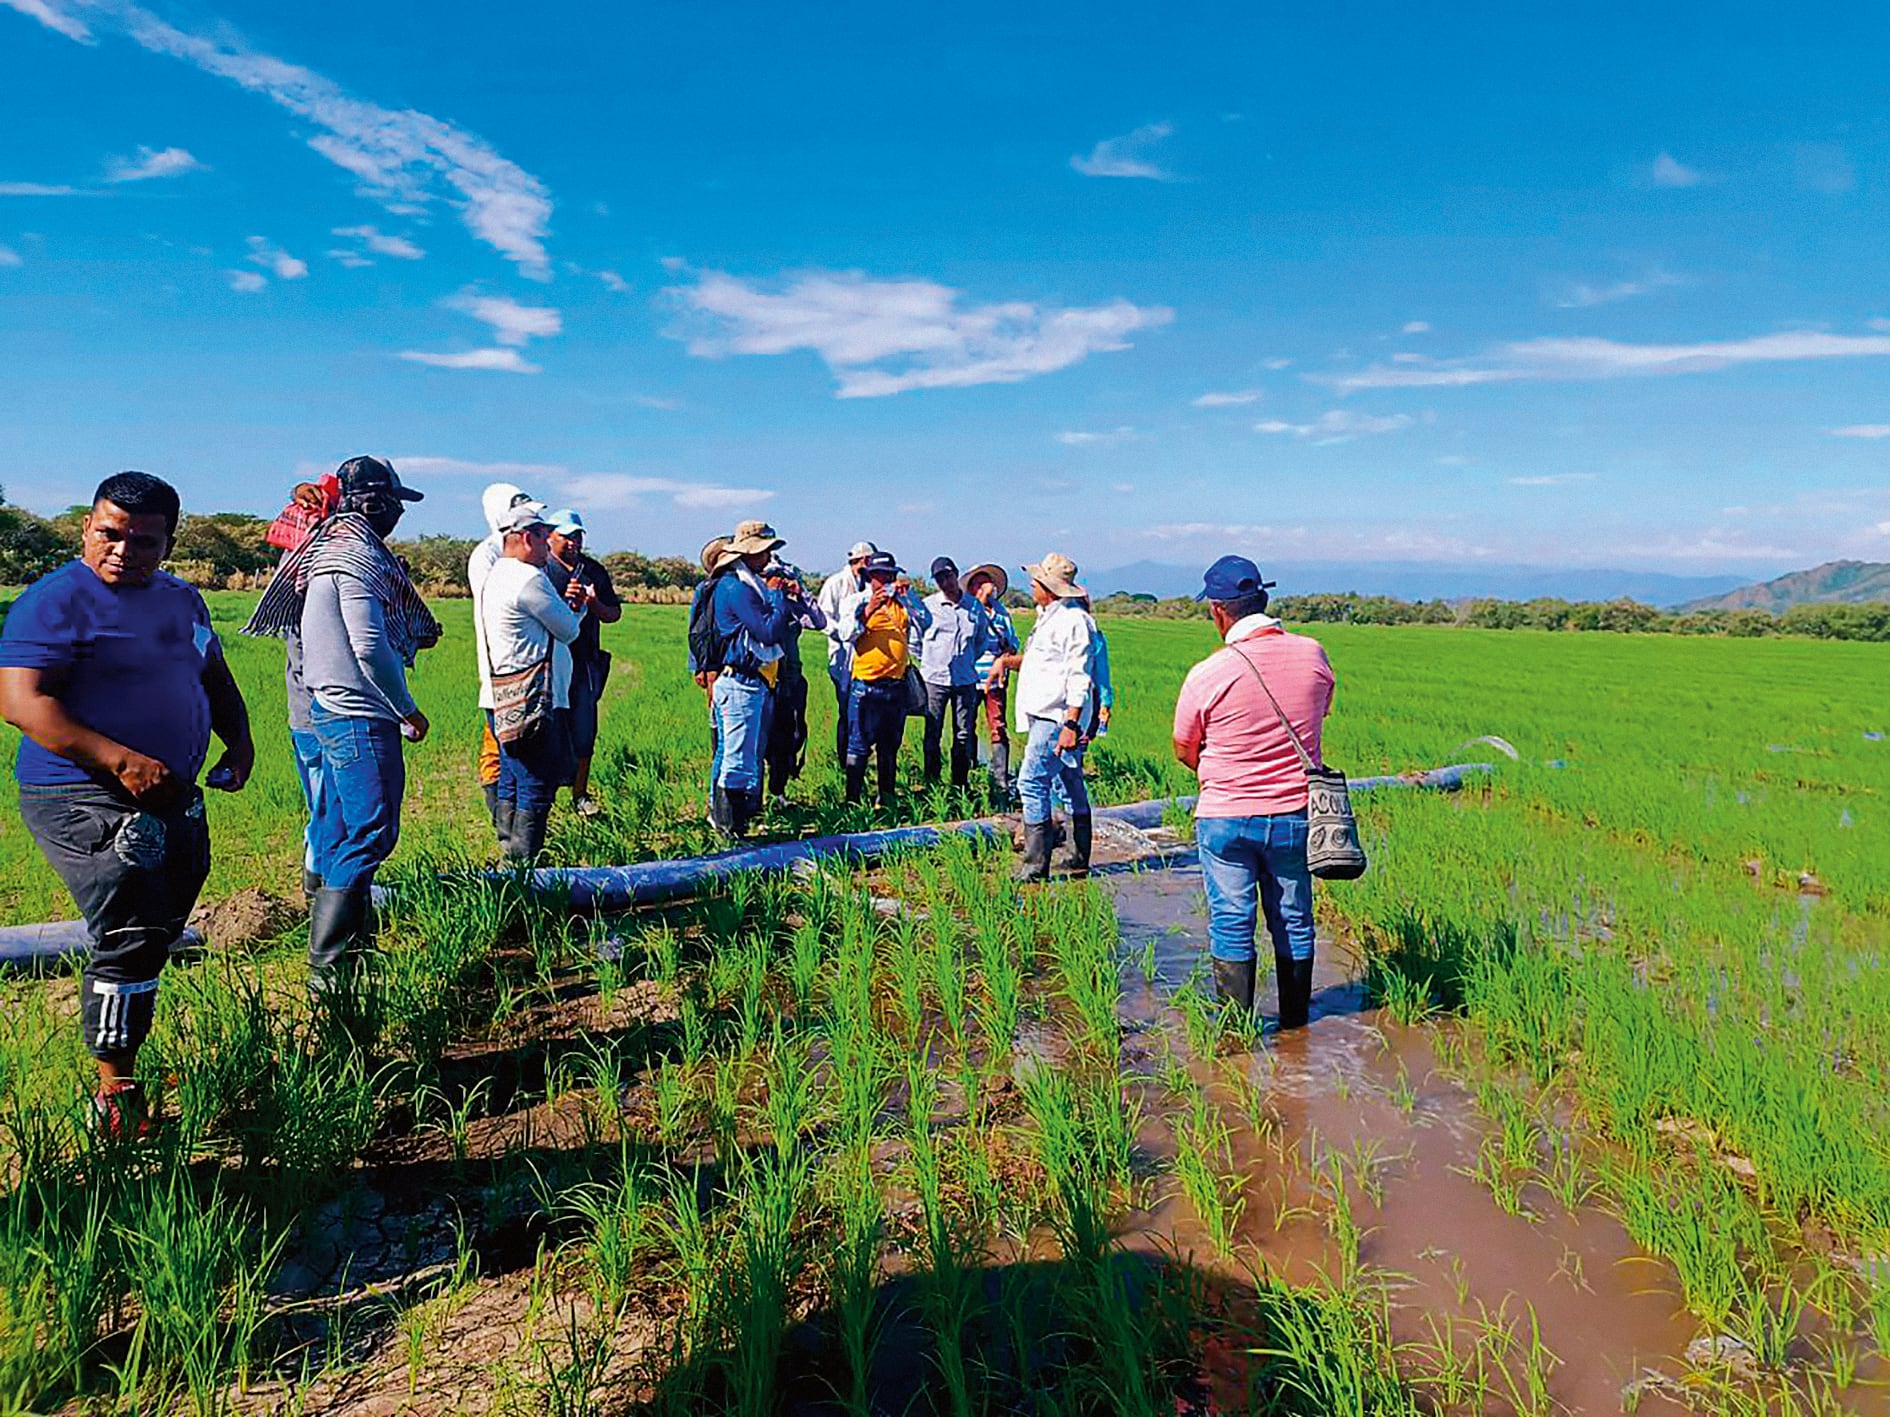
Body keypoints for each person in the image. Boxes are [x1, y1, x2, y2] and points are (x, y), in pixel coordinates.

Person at [0, 471, 254, 1135]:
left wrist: (241, 739)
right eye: (109, 533)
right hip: (81, 788)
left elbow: (213, 673)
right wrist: (118, 759)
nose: (122, 549)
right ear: (86, 526)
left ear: (169, 542)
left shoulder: (183, 601)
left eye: (143, 540)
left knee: (164, 919)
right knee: (133, 924)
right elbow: (22, 700)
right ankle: (117, 1097)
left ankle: (127, 1047)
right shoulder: (53, 602)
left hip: (166, 787)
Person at [246, 456, 440, 999]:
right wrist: (404, 706)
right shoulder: (353, 555)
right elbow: (370, 644)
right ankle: (331, 966)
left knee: (335, 827)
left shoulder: (325, 546)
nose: (399, 514)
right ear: (375, 503)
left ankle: (343, 949)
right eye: (395, 503)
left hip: (328, 707)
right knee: (368, 831)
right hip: (359, 711)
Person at [1172, 555, 1335, 1029]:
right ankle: (1295, 1028)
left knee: (1231, 919)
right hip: (1294, 812)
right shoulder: (1313, 653)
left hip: (1226, 816)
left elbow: (1185, 747)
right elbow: (1320, 714)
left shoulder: (1209, 671)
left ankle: (1238, 1033)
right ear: (1264, 599)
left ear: (1218, 611)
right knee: (1294, 917)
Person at [479, 502, 586, 861]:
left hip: (502, 695)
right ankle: (525, 866)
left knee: (511, 775)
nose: (548, 546)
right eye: (544, 538)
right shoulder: (529, 578)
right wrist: (580, 606)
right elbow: (568, 630)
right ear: (527, 538)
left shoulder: (497, 574)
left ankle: (508, 850)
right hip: (532, 699)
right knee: (536, 785)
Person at [984, 552, 1096, 881]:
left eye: (1035, 580)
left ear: (1048, 586)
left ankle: (1035, 866)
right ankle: (1077, 858)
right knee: (1068, 781)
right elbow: (1038, 663)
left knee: (1031, 782)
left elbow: (1079, 675)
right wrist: (1005, 663)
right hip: (1047, 715)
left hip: (1057, 718)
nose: (1031, 584)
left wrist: (1071, 724)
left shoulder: (1073, 622)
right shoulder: (1048, 615)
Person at [706, 520, 793, 836]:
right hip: (741, 682)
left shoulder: (742, 583)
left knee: (737, 755)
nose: (769, 558)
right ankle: (732, 829)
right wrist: (779, 598)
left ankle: (731, 824)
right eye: (764, 551)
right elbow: (767, 631)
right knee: (738, 760)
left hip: (747, 682)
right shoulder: (737, 588)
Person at [542, 509, 622, 817]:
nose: (573, 542)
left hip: (584, 660)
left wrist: (592, 603)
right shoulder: (542, 569)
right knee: (548, 730)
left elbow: (613, 614)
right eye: (566, 535)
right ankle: (544, 797)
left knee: (584, 731)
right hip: (549, 662)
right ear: (550, 536)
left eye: (578, 535)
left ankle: (580, 795)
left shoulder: (594, 571)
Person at [837, 551, 931, 809]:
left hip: (896, 685)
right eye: (881, 576)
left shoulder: (901, 603)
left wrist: (909, 596)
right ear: (870, 577)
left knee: (889, 746)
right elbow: (845, 633)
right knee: (858, 746)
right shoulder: (855, 602)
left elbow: (926, 622)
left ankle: (885, 799)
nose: (886, 580)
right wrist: (868, 611)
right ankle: (853, 800)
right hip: (866, 686)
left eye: (890, 575)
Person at [469, 482, 535, 828]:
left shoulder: (524, 548)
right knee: (500, 749)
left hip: (525, 668)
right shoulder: (486, 555)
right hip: (499, 666)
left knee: (514, 752)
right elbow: (492, 613)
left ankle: (511, 828)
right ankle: (504, 824)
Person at [916, 556, 991, 792]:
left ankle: (960, 783)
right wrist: (931, 661)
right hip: (934, 679)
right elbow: (914, 641)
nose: (944, 582)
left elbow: (980, 640)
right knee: (932, 732)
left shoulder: (974, 606)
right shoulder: (928, 606)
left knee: (963, 733)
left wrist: (967, 661)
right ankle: (932, 784)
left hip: (965, 679)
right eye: (939, 578)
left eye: (947, 576)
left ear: (956, 574)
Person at [762, 559, 827, 802]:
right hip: (767, 681)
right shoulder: (758, 603)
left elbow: (819, 622)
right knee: (764, 740)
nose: (778, 580)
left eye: (781, 575)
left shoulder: (791, 605)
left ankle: (778, 791)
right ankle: (754, 798)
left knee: (792, 736)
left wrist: (802, 593)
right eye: (773, 575)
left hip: (792, 679)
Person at [817, 540, 878, 764]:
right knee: (848, 711)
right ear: (863, 561)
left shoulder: (872, 585)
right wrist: (846, 633)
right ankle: (846, 759)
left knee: (869, 712)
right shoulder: (836, 583)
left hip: (870, 658)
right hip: (843, 658)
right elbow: (823, 619)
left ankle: (862, 756)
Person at [964, 563, 1019, 808]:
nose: (984, 588)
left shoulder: (1002, 612)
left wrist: (1007, 655)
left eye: (986, 583)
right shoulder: (969, 610)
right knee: (965, 725)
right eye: (978, 583)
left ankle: (1000, 780)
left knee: (998, 726)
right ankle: (968, 773)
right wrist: (981, 603)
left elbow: (1012, 640)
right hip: (970, 675)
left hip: (995, 679)